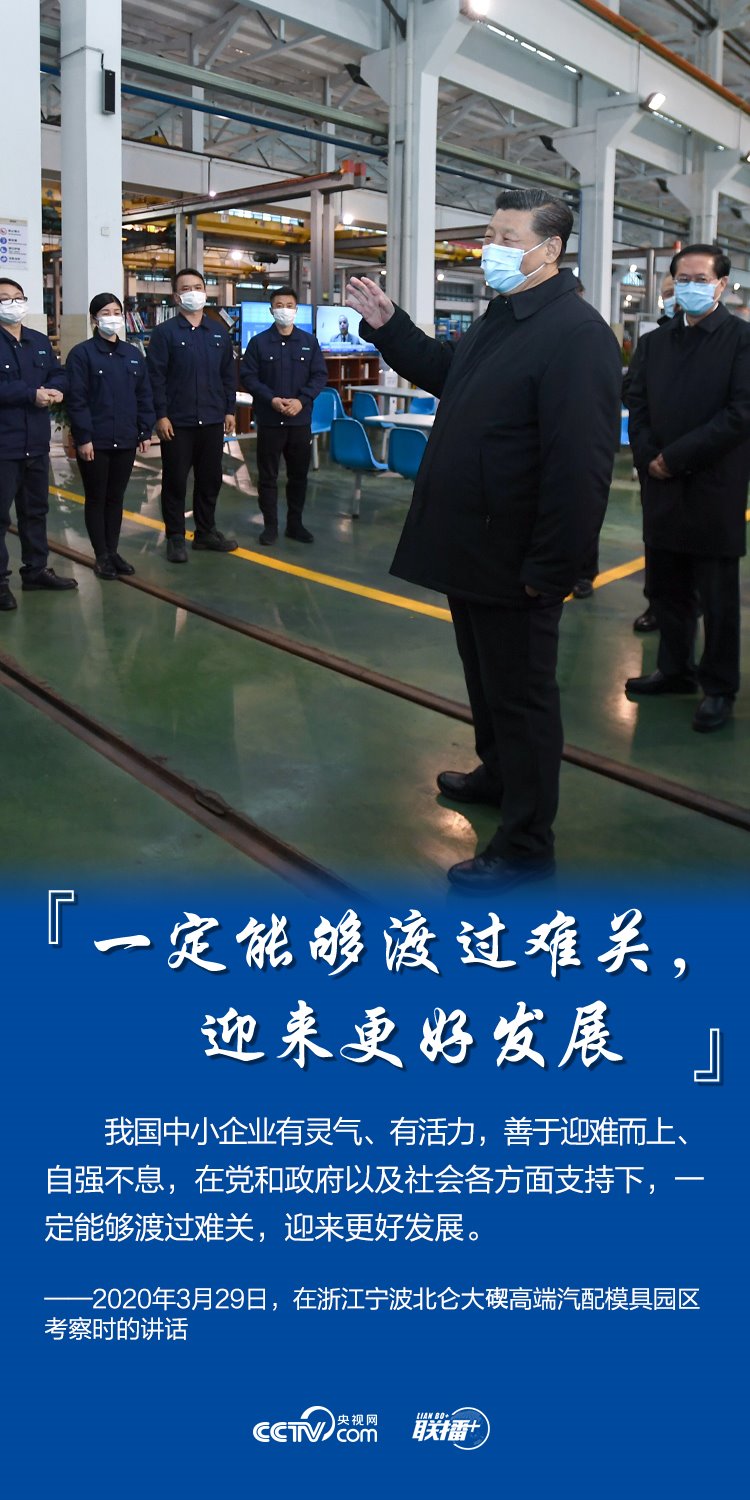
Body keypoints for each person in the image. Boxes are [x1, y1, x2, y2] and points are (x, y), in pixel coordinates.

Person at [346, 188, 622, 889]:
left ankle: (527, 845)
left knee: (523, 700)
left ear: (549, 249)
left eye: (506, 237)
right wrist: (390, 327)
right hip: (473, 546)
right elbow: (450, 375)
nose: (489, 249)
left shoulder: (576, 334)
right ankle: (498, 776)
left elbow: (580, 467)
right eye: (489, 235)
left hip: (517, 557)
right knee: (487, 681)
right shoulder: (505, 316)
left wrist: (553, 567)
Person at [625, 243, 750, 732]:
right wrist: (647, 456)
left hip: (713, 487)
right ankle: (674, 670)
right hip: (661, 486)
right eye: (683, 279)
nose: (691, 287)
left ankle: (718, 687)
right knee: (666, 589)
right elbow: (636, 403)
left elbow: (741, 413)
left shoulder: (741, 340)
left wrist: (673, 458)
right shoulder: (656, 343)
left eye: (701, 279)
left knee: (717, 598)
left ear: (721, 285)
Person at [146, 268, 237, 563]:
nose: (193, 292)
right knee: (175, 481)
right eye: (186, 288)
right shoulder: (164, 334)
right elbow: (155, 378)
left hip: (212, 419)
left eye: (198, 287)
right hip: (177, 422)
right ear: (176, 297)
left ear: (205, 292)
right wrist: (160, 415)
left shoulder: (219, 333)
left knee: (210, 479)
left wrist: (229, 409)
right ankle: (175, 537)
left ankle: (205, 532)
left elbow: (228, 375)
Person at [65, 293, 155, 579]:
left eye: (117, 312)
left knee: (116, 497)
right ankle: (101, 555)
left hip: (126, 438)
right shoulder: (82, 355)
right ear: (94, 319)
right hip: (96, 440)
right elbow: (77, 400)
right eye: (106, 313)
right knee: (97, 497)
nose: (112, 317)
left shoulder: (133, 354)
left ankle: (113, 551)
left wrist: (145, 430)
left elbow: (144, 395)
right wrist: (83, 437)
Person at [0, 278, 77, 610]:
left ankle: (35, 571)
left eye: (18, 297)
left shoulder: (38, 341)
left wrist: (57, 389)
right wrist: (30, 394)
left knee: (35, 511)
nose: (13, 303)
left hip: (36, 444)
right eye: (4, 298)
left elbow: (57, 373)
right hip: (4, 445)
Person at [240, 285, 328, 545]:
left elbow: (319, 375)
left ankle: (295, 524)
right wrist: (271, 399)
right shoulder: (258, 343)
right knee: (267, 476)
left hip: (299, 421)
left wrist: (302, 401)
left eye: (289, 306)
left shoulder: (309, 342)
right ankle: (270, 526)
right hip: (270, 421)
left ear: (296, 310)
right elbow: (248, 376)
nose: (284, 310)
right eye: (279, 306)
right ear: (271, 310)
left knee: (298, 476)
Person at [624, 272, 677, 634]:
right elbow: (633, 394)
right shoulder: (651, 342)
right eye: (671, 290)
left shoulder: (731, 341)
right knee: (656, 537)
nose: (678, 295)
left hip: (699, 463)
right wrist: (646, 454)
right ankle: (656, 604)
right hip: (653, 461)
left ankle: (692, 603)